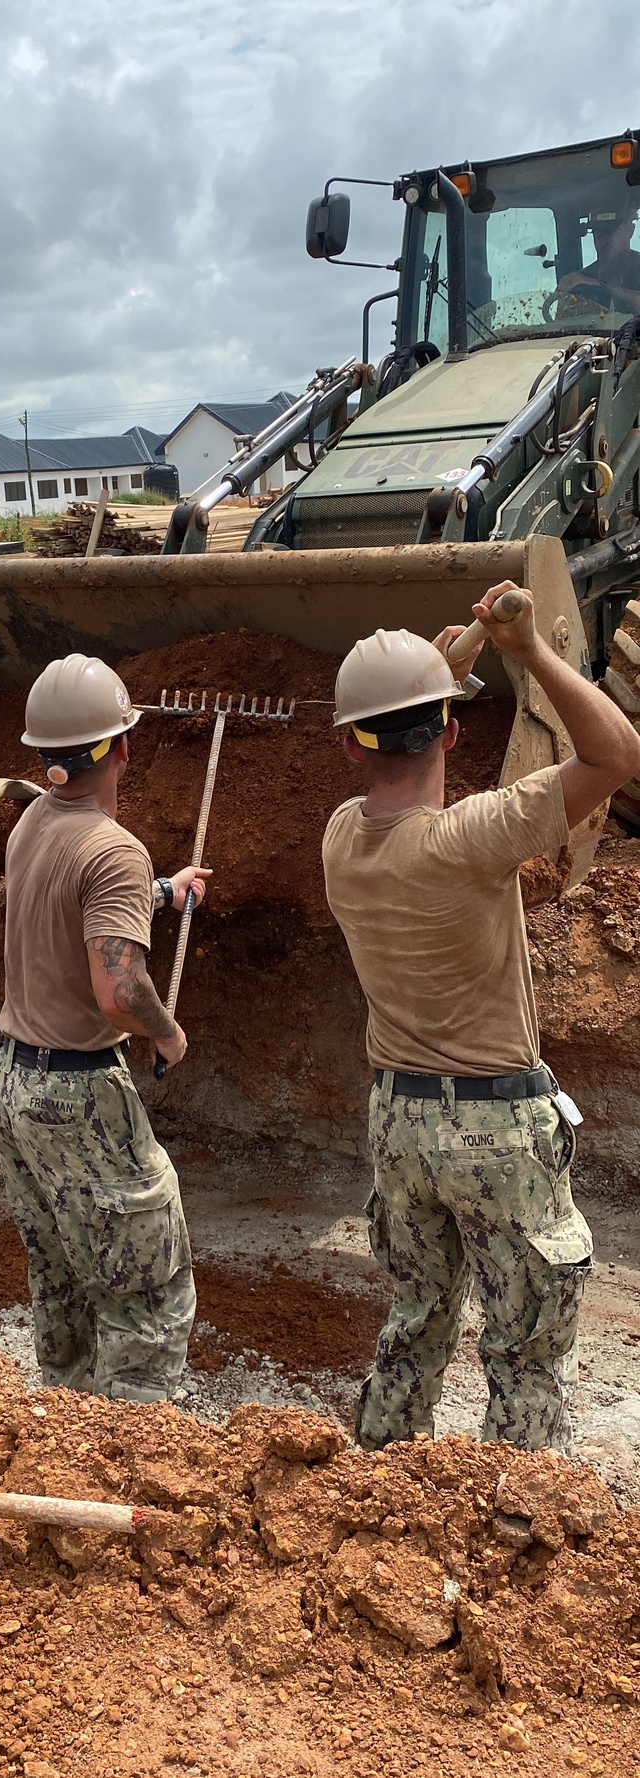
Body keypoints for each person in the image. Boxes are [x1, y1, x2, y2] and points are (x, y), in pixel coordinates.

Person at [322, 586, 640, 1456]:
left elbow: (394, 766)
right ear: (454, 732)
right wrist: (530, 653)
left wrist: (442, 665)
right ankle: (510, 1529)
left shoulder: (341, 838)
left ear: (354, 742)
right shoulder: (473, 837)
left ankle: (377, 1483)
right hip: (495, 1126)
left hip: (398, 1122)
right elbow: (617, 753)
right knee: (526, 1348)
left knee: (416, 1321)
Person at [0, 652, 209, 1402]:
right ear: (122, 745)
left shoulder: (34, 824)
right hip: (78, 1094)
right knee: (148, 1298)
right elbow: (119, 993)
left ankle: (67, 1432)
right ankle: (134, 1454)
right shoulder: (113, 848)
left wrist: (163, 892)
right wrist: (168, 1035)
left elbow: (73, 895)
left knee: (63, 1278)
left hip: (15, 1080)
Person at [554, 201, 640, 315]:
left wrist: (600, 286)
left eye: (611, 231)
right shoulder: (579, 281)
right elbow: (561, 325)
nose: (604, 238)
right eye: (598, 231)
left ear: (630, 230)